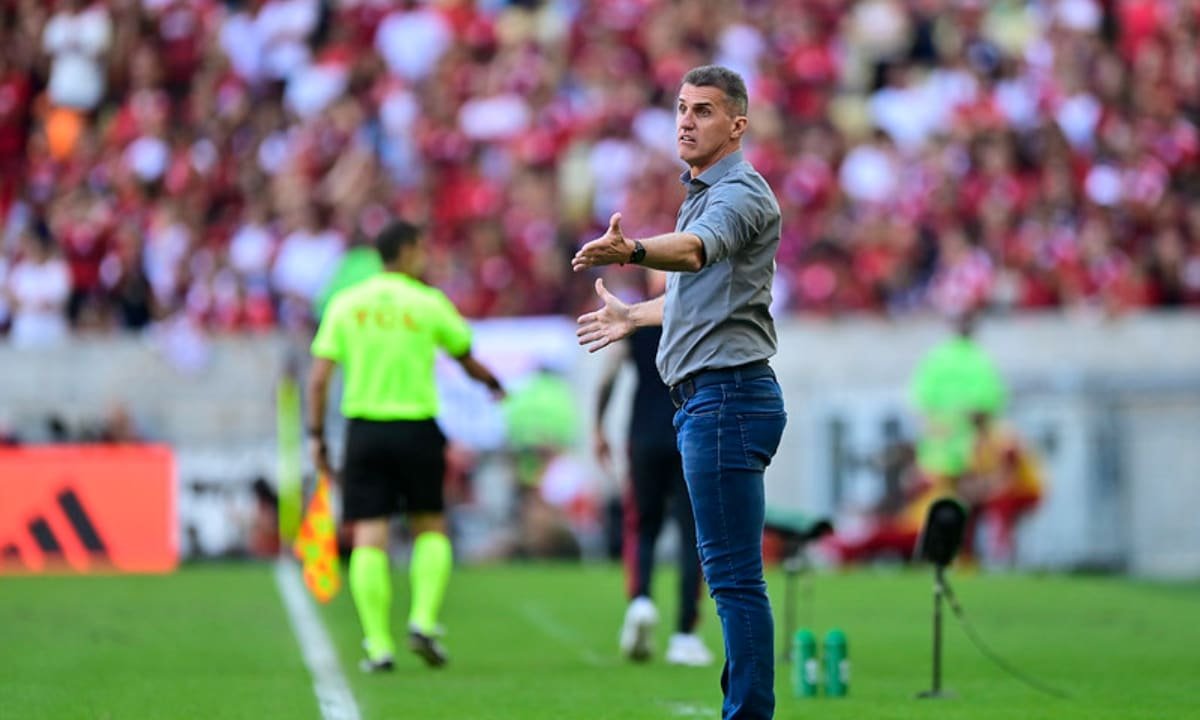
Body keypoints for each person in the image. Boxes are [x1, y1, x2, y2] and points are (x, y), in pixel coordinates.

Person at [573, 65, 787, 719]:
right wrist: (635, 316)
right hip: (715, 398)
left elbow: (694, 255)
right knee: (730, 578)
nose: (686, 121)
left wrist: (634, 250)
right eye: (681, 109)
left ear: (738, 125)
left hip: (726, 397)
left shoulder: (739, 194)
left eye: (703, 111)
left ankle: (748, 713)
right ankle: (743, 706)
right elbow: (699, 294)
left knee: (734, 581)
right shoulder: (701, 190)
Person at [307, 220, 505, 673]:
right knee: (430, 528)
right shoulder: (427, 303)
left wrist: (316, 435)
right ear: (410, 250)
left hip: (365, 430)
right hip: (416, 429)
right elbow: (465, 358)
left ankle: (378, 645)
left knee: (369, 535)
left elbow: (319, 378)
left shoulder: (347, 304)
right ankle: (422, 619)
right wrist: (493, 384)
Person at [593, 270, 711, 667]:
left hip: (642, 438)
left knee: (642, 526)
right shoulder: (695, 314)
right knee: (691, 534)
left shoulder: (635, 319)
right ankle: (684, 633)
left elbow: (609, 377)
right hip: (689, 433)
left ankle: (641, 600)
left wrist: (598, 427)